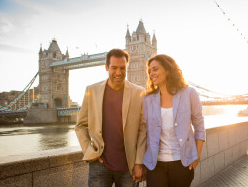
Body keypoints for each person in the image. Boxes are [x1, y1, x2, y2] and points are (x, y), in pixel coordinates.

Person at [75, 49, 146, 187]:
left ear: (127, 67)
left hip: (129, 167)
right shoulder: (92, 90)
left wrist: (139, 162)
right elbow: (81, 126)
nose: (118, 73)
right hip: (99, 166)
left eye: (122, 68)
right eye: (114, 68)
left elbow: (143, 129)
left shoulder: (139, 92)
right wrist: (89, 151)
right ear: (106, 67)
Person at [142, 54, 206, 187]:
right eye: (150, 71)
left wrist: (197, 156)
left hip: (182, 163)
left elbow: (199, 127)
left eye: (155, 69)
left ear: (168, 69)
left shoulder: (189, 93)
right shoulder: (147, 99)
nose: (151, 73)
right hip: (155, 164)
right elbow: (144, 132)